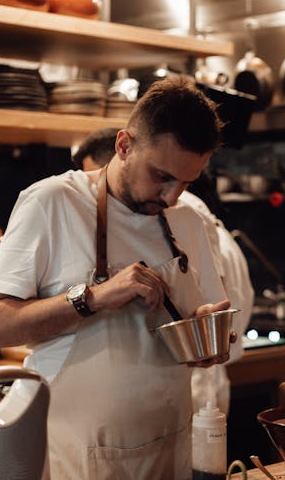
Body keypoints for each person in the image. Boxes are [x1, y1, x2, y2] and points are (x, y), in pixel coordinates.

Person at [0, 76, 233, 480]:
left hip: (171, 458)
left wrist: (209, 333)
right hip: (78, 463)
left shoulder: (189, 221)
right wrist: (92, 297)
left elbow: (198, 313)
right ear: (124, 145)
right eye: (162, 177)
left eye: (187, 182)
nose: (171, 196)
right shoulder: (52, 202)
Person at [72, 127, 255, 415]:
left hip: (195, 389)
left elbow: (212, 301)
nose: (93, 191)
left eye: (94, 177)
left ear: (121, 157)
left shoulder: (184, 213)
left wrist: (205, 330)